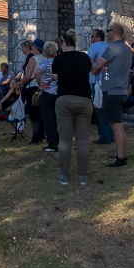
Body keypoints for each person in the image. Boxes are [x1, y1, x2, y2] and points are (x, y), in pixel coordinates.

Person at [52, 33, 94, 185]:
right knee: (83, 139)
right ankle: (83, 176)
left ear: (64, 44)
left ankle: (64, 175)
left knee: (65, 139)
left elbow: (55, 77)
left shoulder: (59, 58)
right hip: (84, 99)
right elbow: (89, 72)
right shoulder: (85, 57)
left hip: (65, 99)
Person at [93, 22, 133, 167]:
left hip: (112, 90)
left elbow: (96, 67)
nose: (107, 33)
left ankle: (121, 157)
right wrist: (106, 66)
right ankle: (119, 153)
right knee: (116, 124)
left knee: (117, 125)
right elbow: (114, 65)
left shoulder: (112, 47)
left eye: (108, 30)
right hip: (121, 89)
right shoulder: (127, 48)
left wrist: (92, 63)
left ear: (115, 32)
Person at [86, 28, 112, 144]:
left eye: (92, 36)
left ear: (98, 37)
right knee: (107, 108)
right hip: (108, 80)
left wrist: (94, 69)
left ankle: (105, 136)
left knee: (99, 108)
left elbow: (89, 60)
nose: (91, 38)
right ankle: (110, 134)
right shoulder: (108, 47)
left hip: (97, 81)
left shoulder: (94, 47)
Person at [35, 41, 60, 153]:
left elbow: (37, 72)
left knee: (48, 120)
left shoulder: (45, 62)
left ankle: (52, 144)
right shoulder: (58, 61)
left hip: (47, 93)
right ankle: (59, 140)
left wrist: (41, 84)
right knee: (57, 119)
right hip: (58, 93)